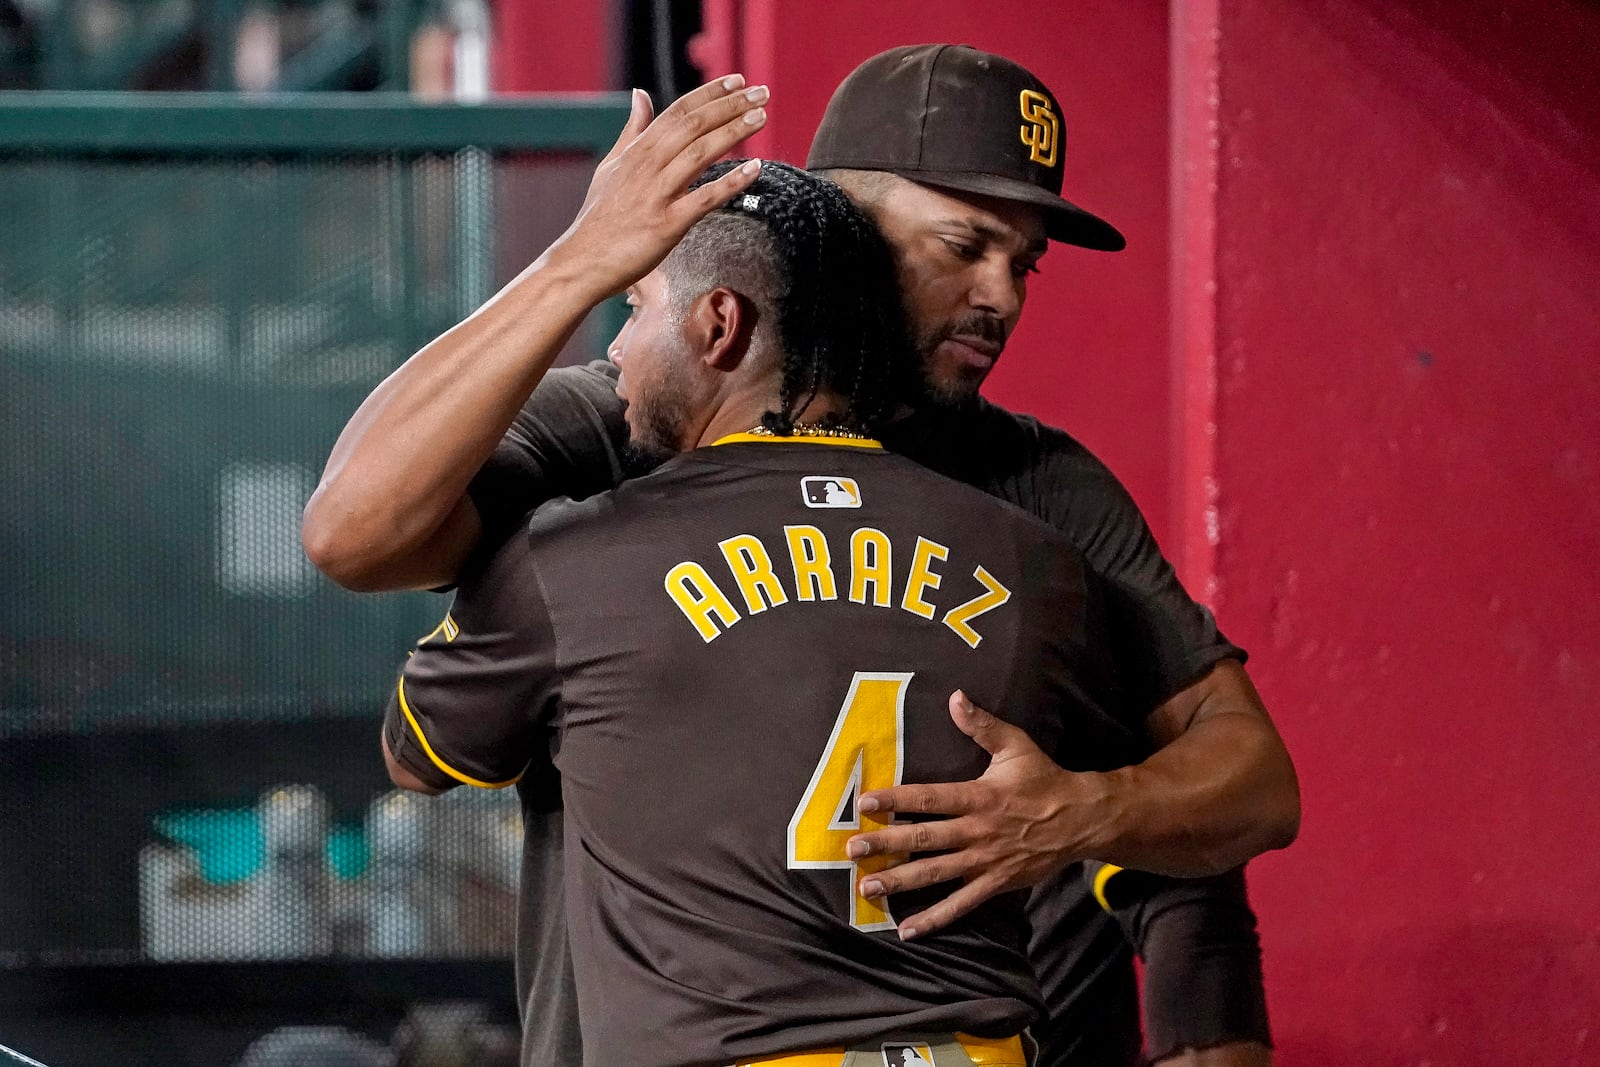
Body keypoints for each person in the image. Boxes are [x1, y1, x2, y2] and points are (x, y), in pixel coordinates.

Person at [303, 46, 1298, 1066]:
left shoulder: (1037, 482)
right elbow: (351, 531)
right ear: (844, 227)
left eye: (1023, 260)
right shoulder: (633, 420)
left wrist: (1084, 810)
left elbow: (1246, 785)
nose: (1000, 293)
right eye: (965, 243)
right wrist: (577, 263)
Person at [382, 159, 1144, 1066]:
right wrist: (1094, 808)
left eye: (636, 310)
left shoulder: (576, 559)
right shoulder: (1033, 559)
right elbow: (1200, 807)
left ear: (718, 322)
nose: (620, 349)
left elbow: (418, 759)